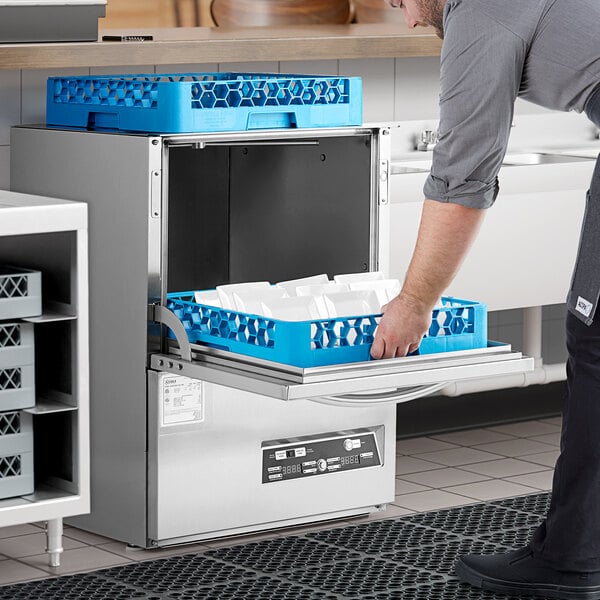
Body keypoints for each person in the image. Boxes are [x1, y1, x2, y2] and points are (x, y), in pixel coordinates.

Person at [374, 0, 600, 598]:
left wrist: (416, 299)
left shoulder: (479, 13)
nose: (410, 22)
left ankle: (571, 561)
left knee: (598, 341)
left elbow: (462, 175)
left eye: (402, 2)